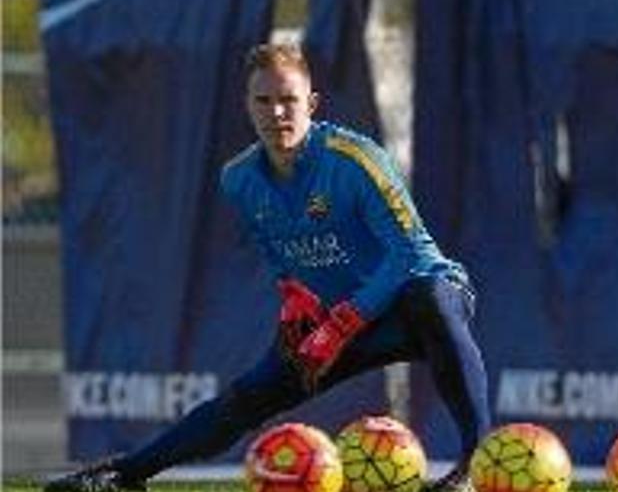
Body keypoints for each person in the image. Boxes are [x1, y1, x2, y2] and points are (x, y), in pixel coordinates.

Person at [46, 42, 490, 492]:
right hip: (336, 324)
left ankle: (472, 468)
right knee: (244, 400)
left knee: (434, 297)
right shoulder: (238, 180)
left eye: (288, 100)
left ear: (311, 104)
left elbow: (409, 256)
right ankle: (124, 474)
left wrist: (343, 322)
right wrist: (293, 298)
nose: (277, 112)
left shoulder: (356, 160)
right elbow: (280, 256)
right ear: (247, 105)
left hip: (409, 302)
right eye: (264, 100)